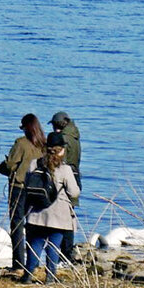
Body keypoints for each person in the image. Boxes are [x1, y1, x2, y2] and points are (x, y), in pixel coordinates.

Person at [20, 132, 80, 284]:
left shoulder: (34, 164)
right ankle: (50, 277)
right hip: (58, 215)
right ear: (61, 150)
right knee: (54, 245)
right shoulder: (65, 169)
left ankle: (28, 274)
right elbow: (74, 192)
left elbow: (27, 184)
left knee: (35, 244)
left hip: (36, 212)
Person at [0, 114, 46, 274]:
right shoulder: (43, 144)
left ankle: (18, 264)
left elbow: (11, 164)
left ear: (25, 127)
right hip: (37, 189)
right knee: (34, 226)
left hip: (19, 187)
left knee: (17, 226)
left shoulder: (21, 143)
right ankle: (34, 262)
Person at [49, 111, 82, 259]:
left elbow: (61, 162)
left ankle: (64, 253)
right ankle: (66, 253)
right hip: (75, 177)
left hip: (66, 179)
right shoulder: (75, 137)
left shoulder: (64, 139)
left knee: (64, 218)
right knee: (70, 215)